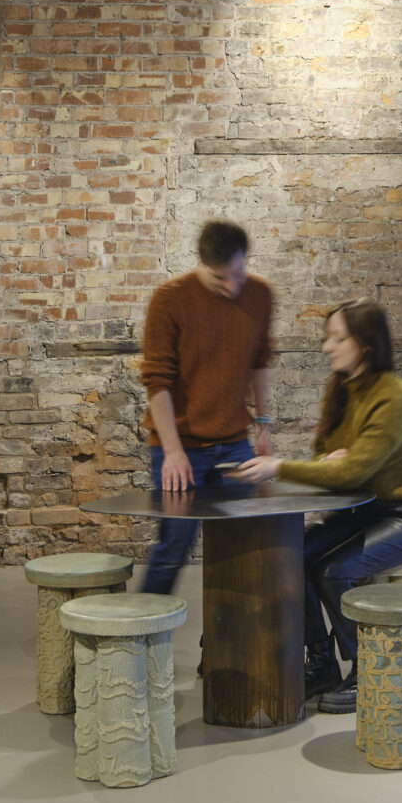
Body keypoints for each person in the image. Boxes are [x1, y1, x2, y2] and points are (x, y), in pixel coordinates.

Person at [226, 299, 402, 715]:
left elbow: (350, 470)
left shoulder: (393, 396)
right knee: (292, 557)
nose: (327, 346)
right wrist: (335, 462)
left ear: (365, 343)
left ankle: (367, 668)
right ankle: (322, 663)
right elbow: (328, 456)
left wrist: (279, 467)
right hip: (361, 511)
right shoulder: (341, 389)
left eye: (338, 338)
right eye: (328, 337)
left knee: (333, 569)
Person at [135, 219, 275, 596]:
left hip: (233, 442)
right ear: (202, 264)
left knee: (244, 546)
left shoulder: (260, 294)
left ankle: (226, 649)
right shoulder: (170, 299)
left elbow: (260, 362)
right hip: (179, 443)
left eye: (238, 274)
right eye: (219, 278)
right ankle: (139, 644)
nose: (231, 286)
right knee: (174, 547)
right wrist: (174, 452)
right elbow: (157, 381)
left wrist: (263, 425)